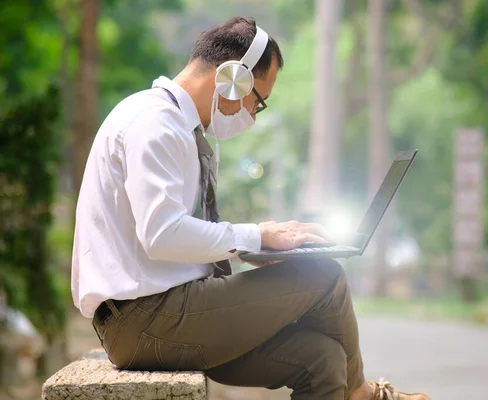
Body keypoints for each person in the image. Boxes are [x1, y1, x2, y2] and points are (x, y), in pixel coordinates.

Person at [71, 16, 431, 400]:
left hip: (167, 314)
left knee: (321, 359)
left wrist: (253, 250)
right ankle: (361, 394)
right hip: (144, 321)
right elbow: (161, 234)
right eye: (257, 101)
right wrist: (256, 234)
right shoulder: (155, 123)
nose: (253, 115)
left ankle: (351, 386)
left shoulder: (178, 126)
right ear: (233, 79)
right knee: (324, 277)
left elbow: (173, 239)